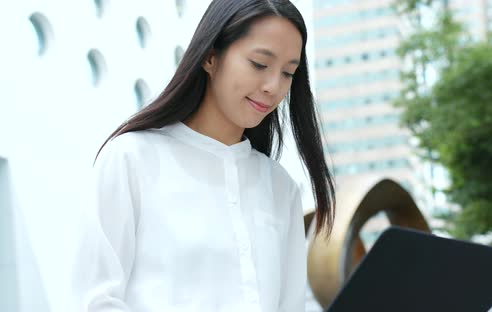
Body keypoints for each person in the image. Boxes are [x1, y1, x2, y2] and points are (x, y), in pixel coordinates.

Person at [71, 0, 335, 311]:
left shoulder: (280, 187)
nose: (273, 86)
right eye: (260, 64)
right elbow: (96, 301)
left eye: (288, 73)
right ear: (211, 57)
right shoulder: (131, 159)